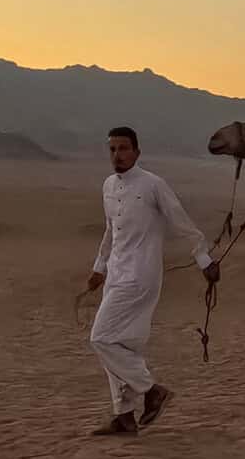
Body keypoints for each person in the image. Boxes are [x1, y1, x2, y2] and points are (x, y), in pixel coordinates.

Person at [85, 126, 220, 436]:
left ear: (137, 152)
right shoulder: (108, 186)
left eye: (123, 148)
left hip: (141, 275)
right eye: (112, 149)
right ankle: (124, 416)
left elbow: (182, 222)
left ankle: (152, 391)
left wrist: (204, 259)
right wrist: (99, 267)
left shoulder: (153, 185)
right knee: (123, 345)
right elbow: (110, 231)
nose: (117, 155)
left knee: (101, 337)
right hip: (117, 273)